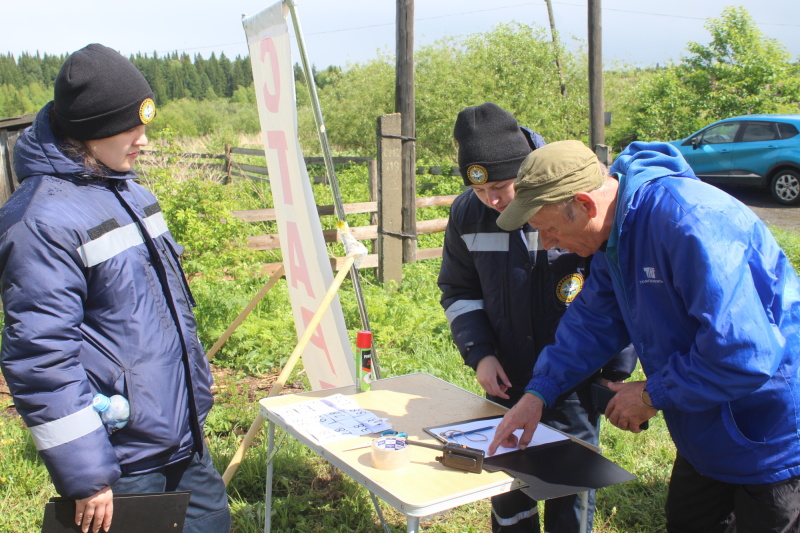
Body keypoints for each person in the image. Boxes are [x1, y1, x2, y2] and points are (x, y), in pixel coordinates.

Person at [489, 139, 800, 533]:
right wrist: (539, 392)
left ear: (585, 204)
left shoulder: (690, 222)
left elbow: (744, 352)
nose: (547, 244)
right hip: (704, 427)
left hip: (770, 432)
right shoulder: (614, 237)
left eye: (549, 229)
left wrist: (653, 395)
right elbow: (592, 321)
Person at [0, 44, 231, 533]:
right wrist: (86, 473)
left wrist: (195, 380)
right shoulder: (40, 221)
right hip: (121, 460)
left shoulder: (131, 192)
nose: (143, 140)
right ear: (89, 131)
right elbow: (41, 357)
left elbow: (160, 309)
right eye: (131, 127)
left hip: (183, 437)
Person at [438, 103, 637, 533]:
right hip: (506, 377)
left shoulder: (566, 196)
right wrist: (481, 354)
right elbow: (459, 291)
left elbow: (614, 294)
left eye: (502, 186)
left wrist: (616, 370)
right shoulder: (467, 215)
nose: (492, 200)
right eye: (479, 190)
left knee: (569, 484)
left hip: (574, 378)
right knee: (509, 488)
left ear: (526, 169)